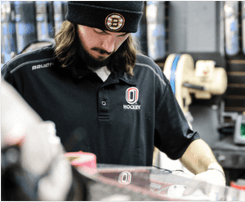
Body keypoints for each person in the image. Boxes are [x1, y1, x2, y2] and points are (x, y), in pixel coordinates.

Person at [2, 1, 225, 186]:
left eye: (121, 35)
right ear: (76, 21)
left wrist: (213, 171)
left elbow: (183, 142)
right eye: (99, 31)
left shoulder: (147, 75)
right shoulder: (22, 75)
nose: (109, 46)